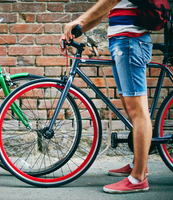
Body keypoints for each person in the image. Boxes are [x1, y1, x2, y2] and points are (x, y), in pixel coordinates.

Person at [60, 0, 152, 193]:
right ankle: (139, 164)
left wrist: (78, 20)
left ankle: (138, 178)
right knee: (129, 104)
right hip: (122, 40)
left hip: (130, 39)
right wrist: (77, 30)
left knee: (138, 110)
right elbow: (106, 10)